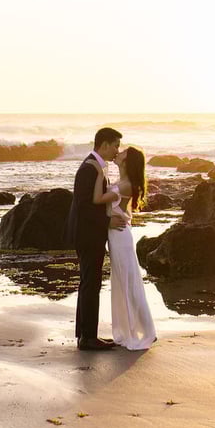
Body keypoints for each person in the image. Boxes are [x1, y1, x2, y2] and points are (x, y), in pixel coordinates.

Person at [91, 145, 157, 351]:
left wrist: (99, 172)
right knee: (124, 281)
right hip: (116, 235)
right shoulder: (121, 182)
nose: (118, 153)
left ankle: (145, 330)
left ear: (127, 162)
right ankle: (135, 327)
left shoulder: (127, 185)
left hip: (120, 237)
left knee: (129, 282)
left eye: (123, 153)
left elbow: (97, 199)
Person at [68, 126, 124, 351]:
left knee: (89, 283)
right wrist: (107, 221)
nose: (117, 150)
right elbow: (83, 206)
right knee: (91, 283)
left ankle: (85, 334)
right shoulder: (89, 168)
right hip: (87, 234)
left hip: (90, 233)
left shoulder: (95, 166)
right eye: (116, 146)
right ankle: (88, 338)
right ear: (105, 144)